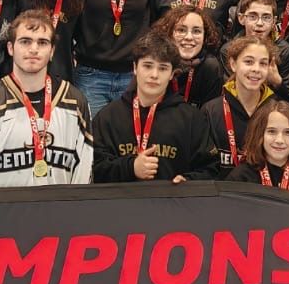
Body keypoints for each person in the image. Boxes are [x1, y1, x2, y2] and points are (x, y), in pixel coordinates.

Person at [0, 9, 92, 189]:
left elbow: (84, 175)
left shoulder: (75, 102)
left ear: (52, 51)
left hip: (58, 214)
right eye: (25, 41)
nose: (33, 49)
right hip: (2, 214)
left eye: (42, 43)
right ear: (10, 48)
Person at [91, 33, 219, 182]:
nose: (154, 75)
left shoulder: (192, 118)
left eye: (163, 68)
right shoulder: (107, 117)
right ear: (134, 67)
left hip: (173, 203)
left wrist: (189, 182)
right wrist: (130, 167)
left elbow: (211, 169)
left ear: (172, 74)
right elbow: (94, 169)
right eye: (147, 65)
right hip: (121, 203)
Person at [204, 35, 277, 170]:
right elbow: (204, 165)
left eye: (263, 63)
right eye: (249, 62)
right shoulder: (211, 111)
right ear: (233, 64)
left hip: (263, 190)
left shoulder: (277, 111)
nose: (256, 69)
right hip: (222, 189)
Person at [227, 100, 289, 196]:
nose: (279, 140)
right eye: (272, 131)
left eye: (288, 132)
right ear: (259, 134)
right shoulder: (241, 178)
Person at [154, 6, 225, 107]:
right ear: (168, 34)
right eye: (181, 30)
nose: (189, 37)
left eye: (196, 31)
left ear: (205, 36)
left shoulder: (211, 67)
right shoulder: (156, 61)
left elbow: (210, 115)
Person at [233, 0, 289, 92]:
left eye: (266, 17)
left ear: (274, 21)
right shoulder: (229, 49)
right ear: (241, 19)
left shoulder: (284, 50)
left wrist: (277, 82)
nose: (259, 23)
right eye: (252, 16)